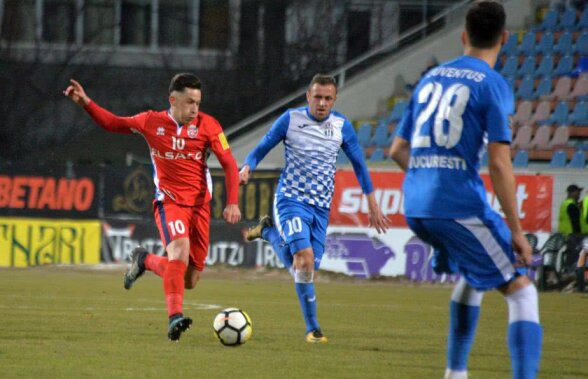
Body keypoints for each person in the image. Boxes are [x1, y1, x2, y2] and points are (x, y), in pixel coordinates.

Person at [389, 2, 542, 378]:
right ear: (504, 38)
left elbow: (396, 150)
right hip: (456, 204)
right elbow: (499, 163)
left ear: (463, 36)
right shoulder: (492, 84)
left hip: (417, 205)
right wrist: (518, 231)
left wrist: (429, 175)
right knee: (523, 292)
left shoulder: (428, 79)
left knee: (473, 279)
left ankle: (455, 374)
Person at [63, 73, 241, 341]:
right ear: (173, 100)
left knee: (189, 280)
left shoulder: (209, 125)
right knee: (178, 254)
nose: (195, 109)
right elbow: (113, 124)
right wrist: (86, 103)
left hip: (200, 206)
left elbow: (229, 164)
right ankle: (174, 318)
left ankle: (145, 260)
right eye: (190, 102)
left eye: (198, 103)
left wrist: (232, 202)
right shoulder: (151, 122)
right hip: (169, 202)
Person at [239, 73, 389, 343]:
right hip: (290, 199)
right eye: (317, 97)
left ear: (334, 100)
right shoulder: (291, 119)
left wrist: (372, 201)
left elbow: (359, 165)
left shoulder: (342, 126)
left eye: (327, 98)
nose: (321, 103)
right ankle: (313, 328)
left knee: (305, 269)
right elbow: (261, 148)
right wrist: (249, 165)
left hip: (320, 208)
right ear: (308, 96)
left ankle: (268, 233)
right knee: (304, 259)